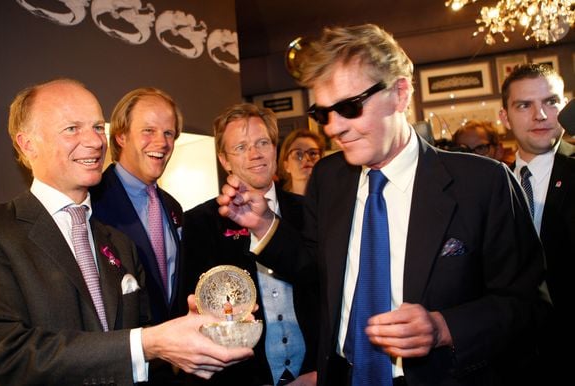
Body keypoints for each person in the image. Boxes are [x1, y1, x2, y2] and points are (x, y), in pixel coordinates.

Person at [216, 25, 550, 386]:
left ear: (400, 93)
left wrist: (443, 328)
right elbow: (315, 269)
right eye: (323, 113)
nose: (333, 128)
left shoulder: (483, 183)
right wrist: (264, 224)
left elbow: (527, 306)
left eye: (349, 107)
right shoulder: (329, 177)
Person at [0, 78, 253, 385]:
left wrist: (190, 344)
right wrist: (148, 343)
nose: (93, 141)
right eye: (72, 128)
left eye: (95, 126)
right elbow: (7, 355)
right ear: (27, 143)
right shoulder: (2, 232)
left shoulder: (119, 244)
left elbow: (141, 346)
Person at [180, 103, 318, 386]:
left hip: (313, 374)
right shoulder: (200, 223)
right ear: (224, 160)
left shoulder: (311, 212)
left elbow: (330, 289)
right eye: (241, 147)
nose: (255, 154)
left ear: (275, 149)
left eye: (262, 143)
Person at [90, 87, 187, 383]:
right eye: (149, 130)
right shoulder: (92, 203)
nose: (161, 142)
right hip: (122, 369)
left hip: (175, 367)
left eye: (169, 133)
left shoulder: (173, 207)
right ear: (121, 136)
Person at [499, 63, 575, 384]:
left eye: (550, 102)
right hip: (512, 359)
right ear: (504, 117)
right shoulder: (489, 184)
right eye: (524, 105)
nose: (540, 115)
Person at [277, 128, 325, 195]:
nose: (306, 158)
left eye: (313, 153)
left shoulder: (334, 198)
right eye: (298, 154)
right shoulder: (278, 203)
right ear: (286, 166)